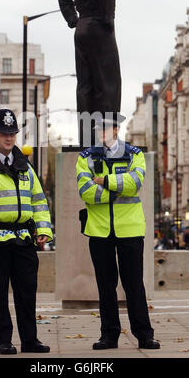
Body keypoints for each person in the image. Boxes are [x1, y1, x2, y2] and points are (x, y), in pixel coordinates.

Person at [0, 108, 53, 355]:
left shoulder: (26, 167)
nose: (9, 138)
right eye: (4, 133)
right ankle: (4, 340)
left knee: (27, 294)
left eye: (12, 133)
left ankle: (30, 340)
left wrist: (43, 229)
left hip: (24, 240)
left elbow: (39, 200)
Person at [76, 116, 160, 350]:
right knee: (105, 285)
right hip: (99, 230)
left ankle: (144, 334)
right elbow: (85, 191)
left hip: (130, 229)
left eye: (105, 127)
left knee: (134, 284)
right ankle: (109, 335)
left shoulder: (135, 154)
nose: (101, 132)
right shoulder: (86, 157)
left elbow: (136, 182)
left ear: (116, 128)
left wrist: (103, 180)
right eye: (98, 128)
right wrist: (115, 191)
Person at [58, 0, 121, 119]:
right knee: (108, 81)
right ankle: (107, 135)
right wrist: (108, 18)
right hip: (98, 27)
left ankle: (87, 136)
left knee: (85, 84)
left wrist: (73, 19)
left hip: (82, 28)